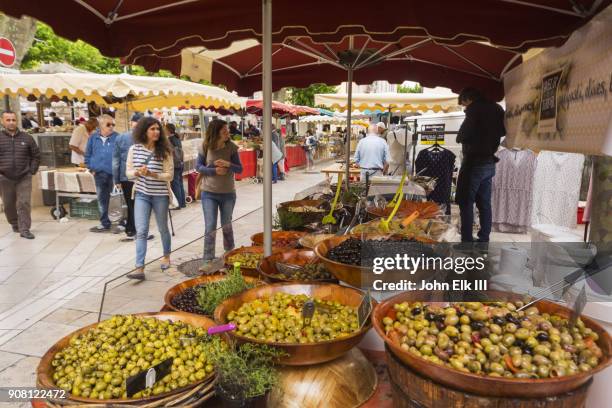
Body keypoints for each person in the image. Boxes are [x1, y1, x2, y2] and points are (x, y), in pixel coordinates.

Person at [125, 117, 174, 280]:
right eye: (152, 129)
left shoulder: (165, 151)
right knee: (141, 231)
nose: (156, 132)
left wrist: (153, 174)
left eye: (158, 129)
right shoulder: (134, 149)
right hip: (141, 194)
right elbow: (128, 172)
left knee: (162, 228)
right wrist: (138, 173)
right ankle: (139, 267)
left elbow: (170, 175)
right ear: (144, 131)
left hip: (160, 195)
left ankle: (166, 255)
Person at [455, 87, 506, 243]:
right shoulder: (497, 108)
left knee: (466, 202)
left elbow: (462, 135)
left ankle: (466, 240)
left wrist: (463, 137)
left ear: (468, 99)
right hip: (489, 162)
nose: (464, 108)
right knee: (484, 203)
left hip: (474, 162)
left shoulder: (474, 109)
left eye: (464, 104)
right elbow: (503, 131)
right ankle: (484, 238)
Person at [196, 119, 243, 269]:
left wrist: (228, 164)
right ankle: (208, 259)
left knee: (226, 225)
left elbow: (240, 169)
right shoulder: (205, 147)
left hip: (228, 193)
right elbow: (198, 167)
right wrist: (213, 170)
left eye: (227, 130)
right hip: (209, 192)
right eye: (224, 130)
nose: (227, 132)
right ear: (216, 132)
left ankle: (230, 253)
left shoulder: (232, 147)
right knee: (210, 225)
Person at [0, 111, 40, 239]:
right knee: (8, 204)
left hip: (24, 176)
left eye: (13, 120)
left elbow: (36, 155)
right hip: (5, 177)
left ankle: (25, 229)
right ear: (2, 121)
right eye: (8, 120)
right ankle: (14, 223)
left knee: (24, 203)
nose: (11, 122)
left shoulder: (27, 138)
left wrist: (31, 170)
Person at [85, 114, 119, 232]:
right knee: (102, 199)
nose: (111, 127)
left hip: (113, 174)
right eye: (108, 124)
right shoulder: (93, 138)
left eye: (113, 124)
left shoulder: (117, 137)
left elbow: (121, 155)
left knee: (116, 199)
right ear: (100, 126)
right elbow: (88, 154)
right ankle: (105, 223)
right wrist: (91, 168)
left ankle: (118, 222)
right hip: (99, 173)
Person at [112, 113, 142, 238]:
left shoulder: (120, 138)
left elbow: (115, 161)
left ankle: (130, 228)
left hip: (126, 176)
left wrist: (116, 179)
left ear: (131, 123)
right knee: (139, 204)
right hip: (142, 176)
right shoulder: (146, 137)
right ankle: (135, 230)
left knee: (131, 203)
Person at [166, 123, 186, 209]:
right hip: (180, 163)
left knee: (175, 184)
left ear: (168, 130)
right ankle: (182, 203)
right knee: (180, 183)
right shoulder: (177, 139)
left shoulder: (169, 140)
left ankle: (177, 204)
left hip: (174, 164)